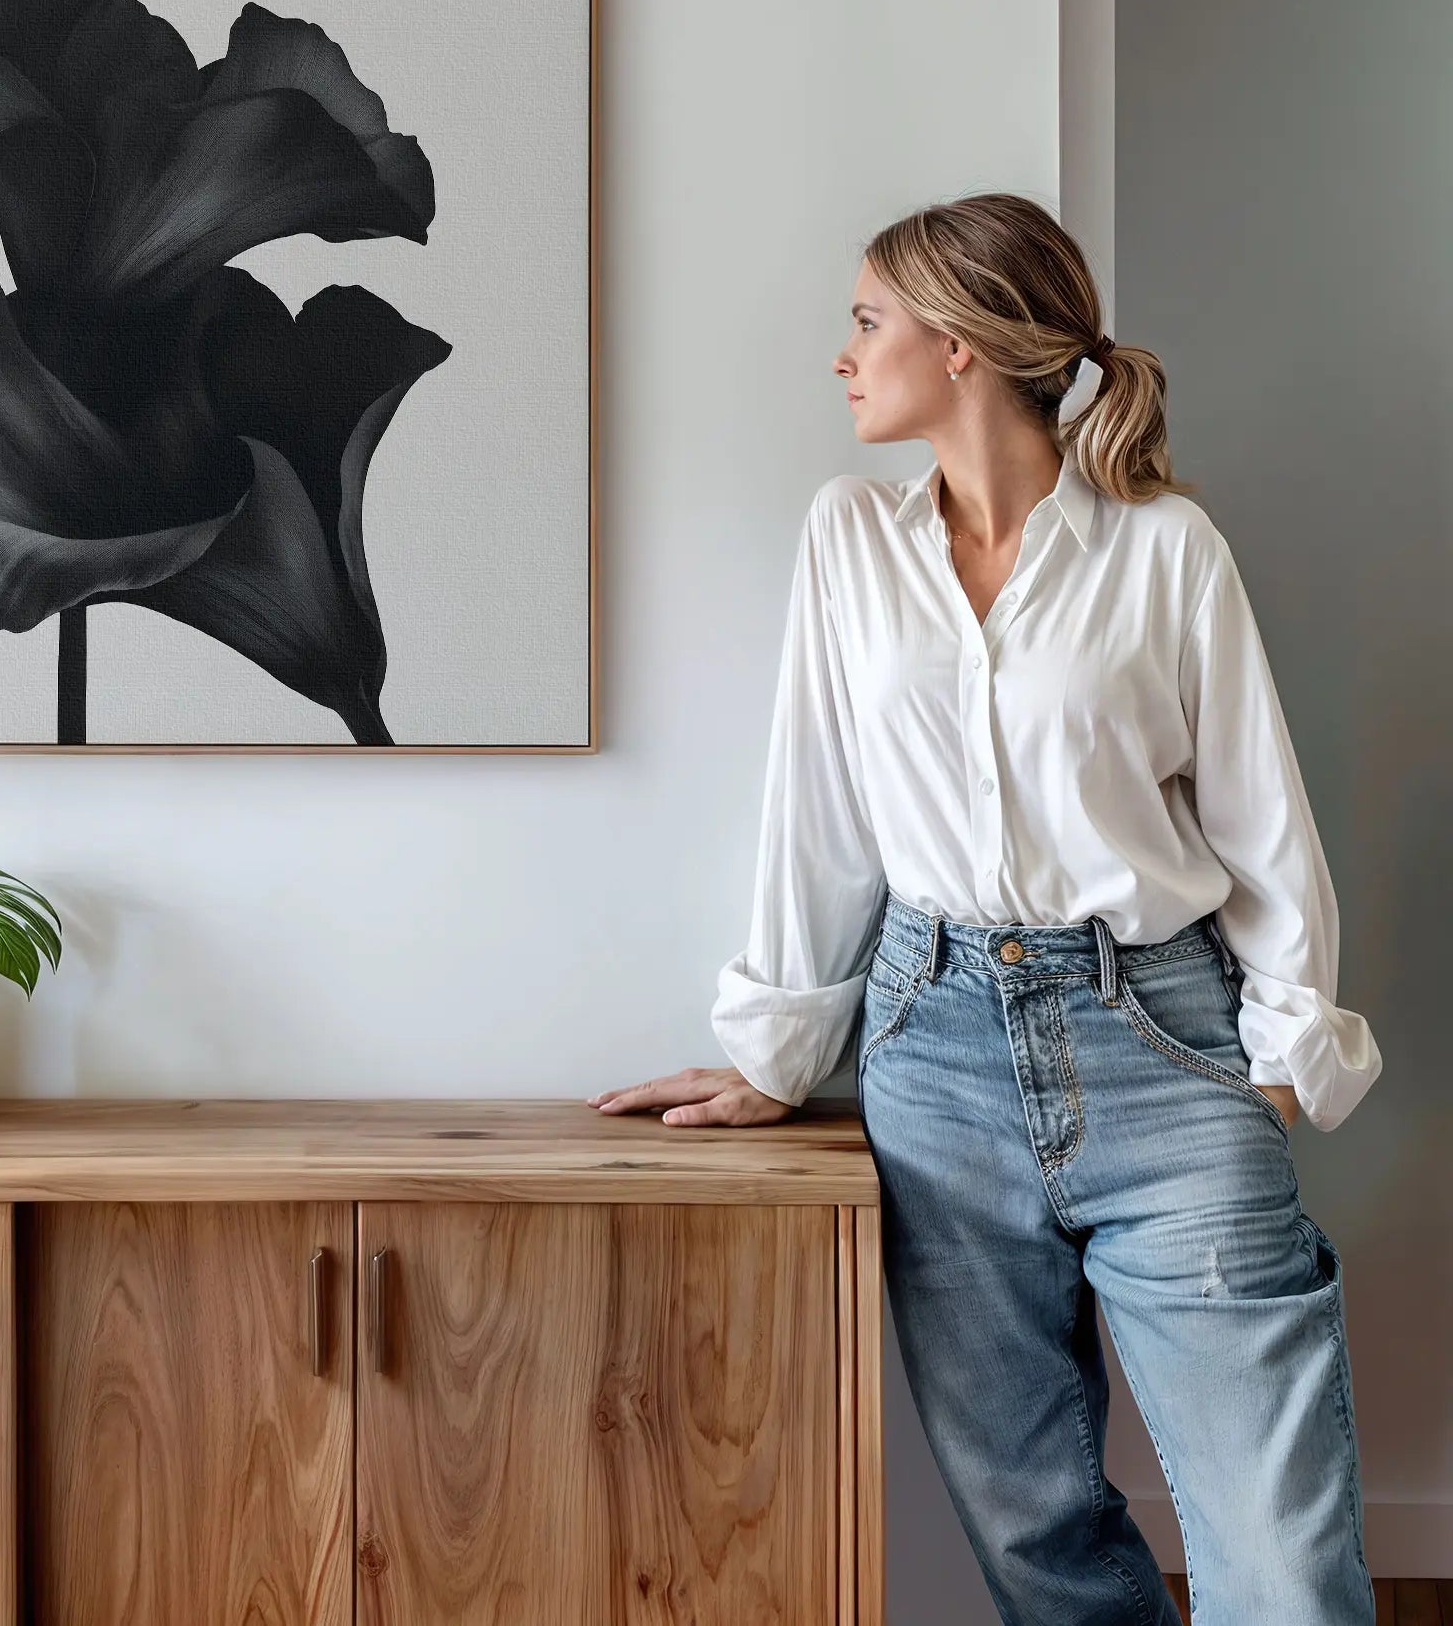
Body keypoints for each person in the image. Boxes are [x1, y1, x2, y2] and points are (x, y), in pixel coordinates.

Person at [589, 193, 1382, 1625]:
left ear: (959, 347)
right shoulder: (849, 541)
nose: (844, 354)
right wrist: (780, 1051)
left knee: (1278, 1550)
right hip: (933, 1051)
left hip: (1164, 1037)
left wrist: (1278, 1057)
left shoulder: (1165, 549)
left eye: (866, 320)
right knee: (1037, 1537)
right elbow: (815, 808)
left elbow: (1262, 819)